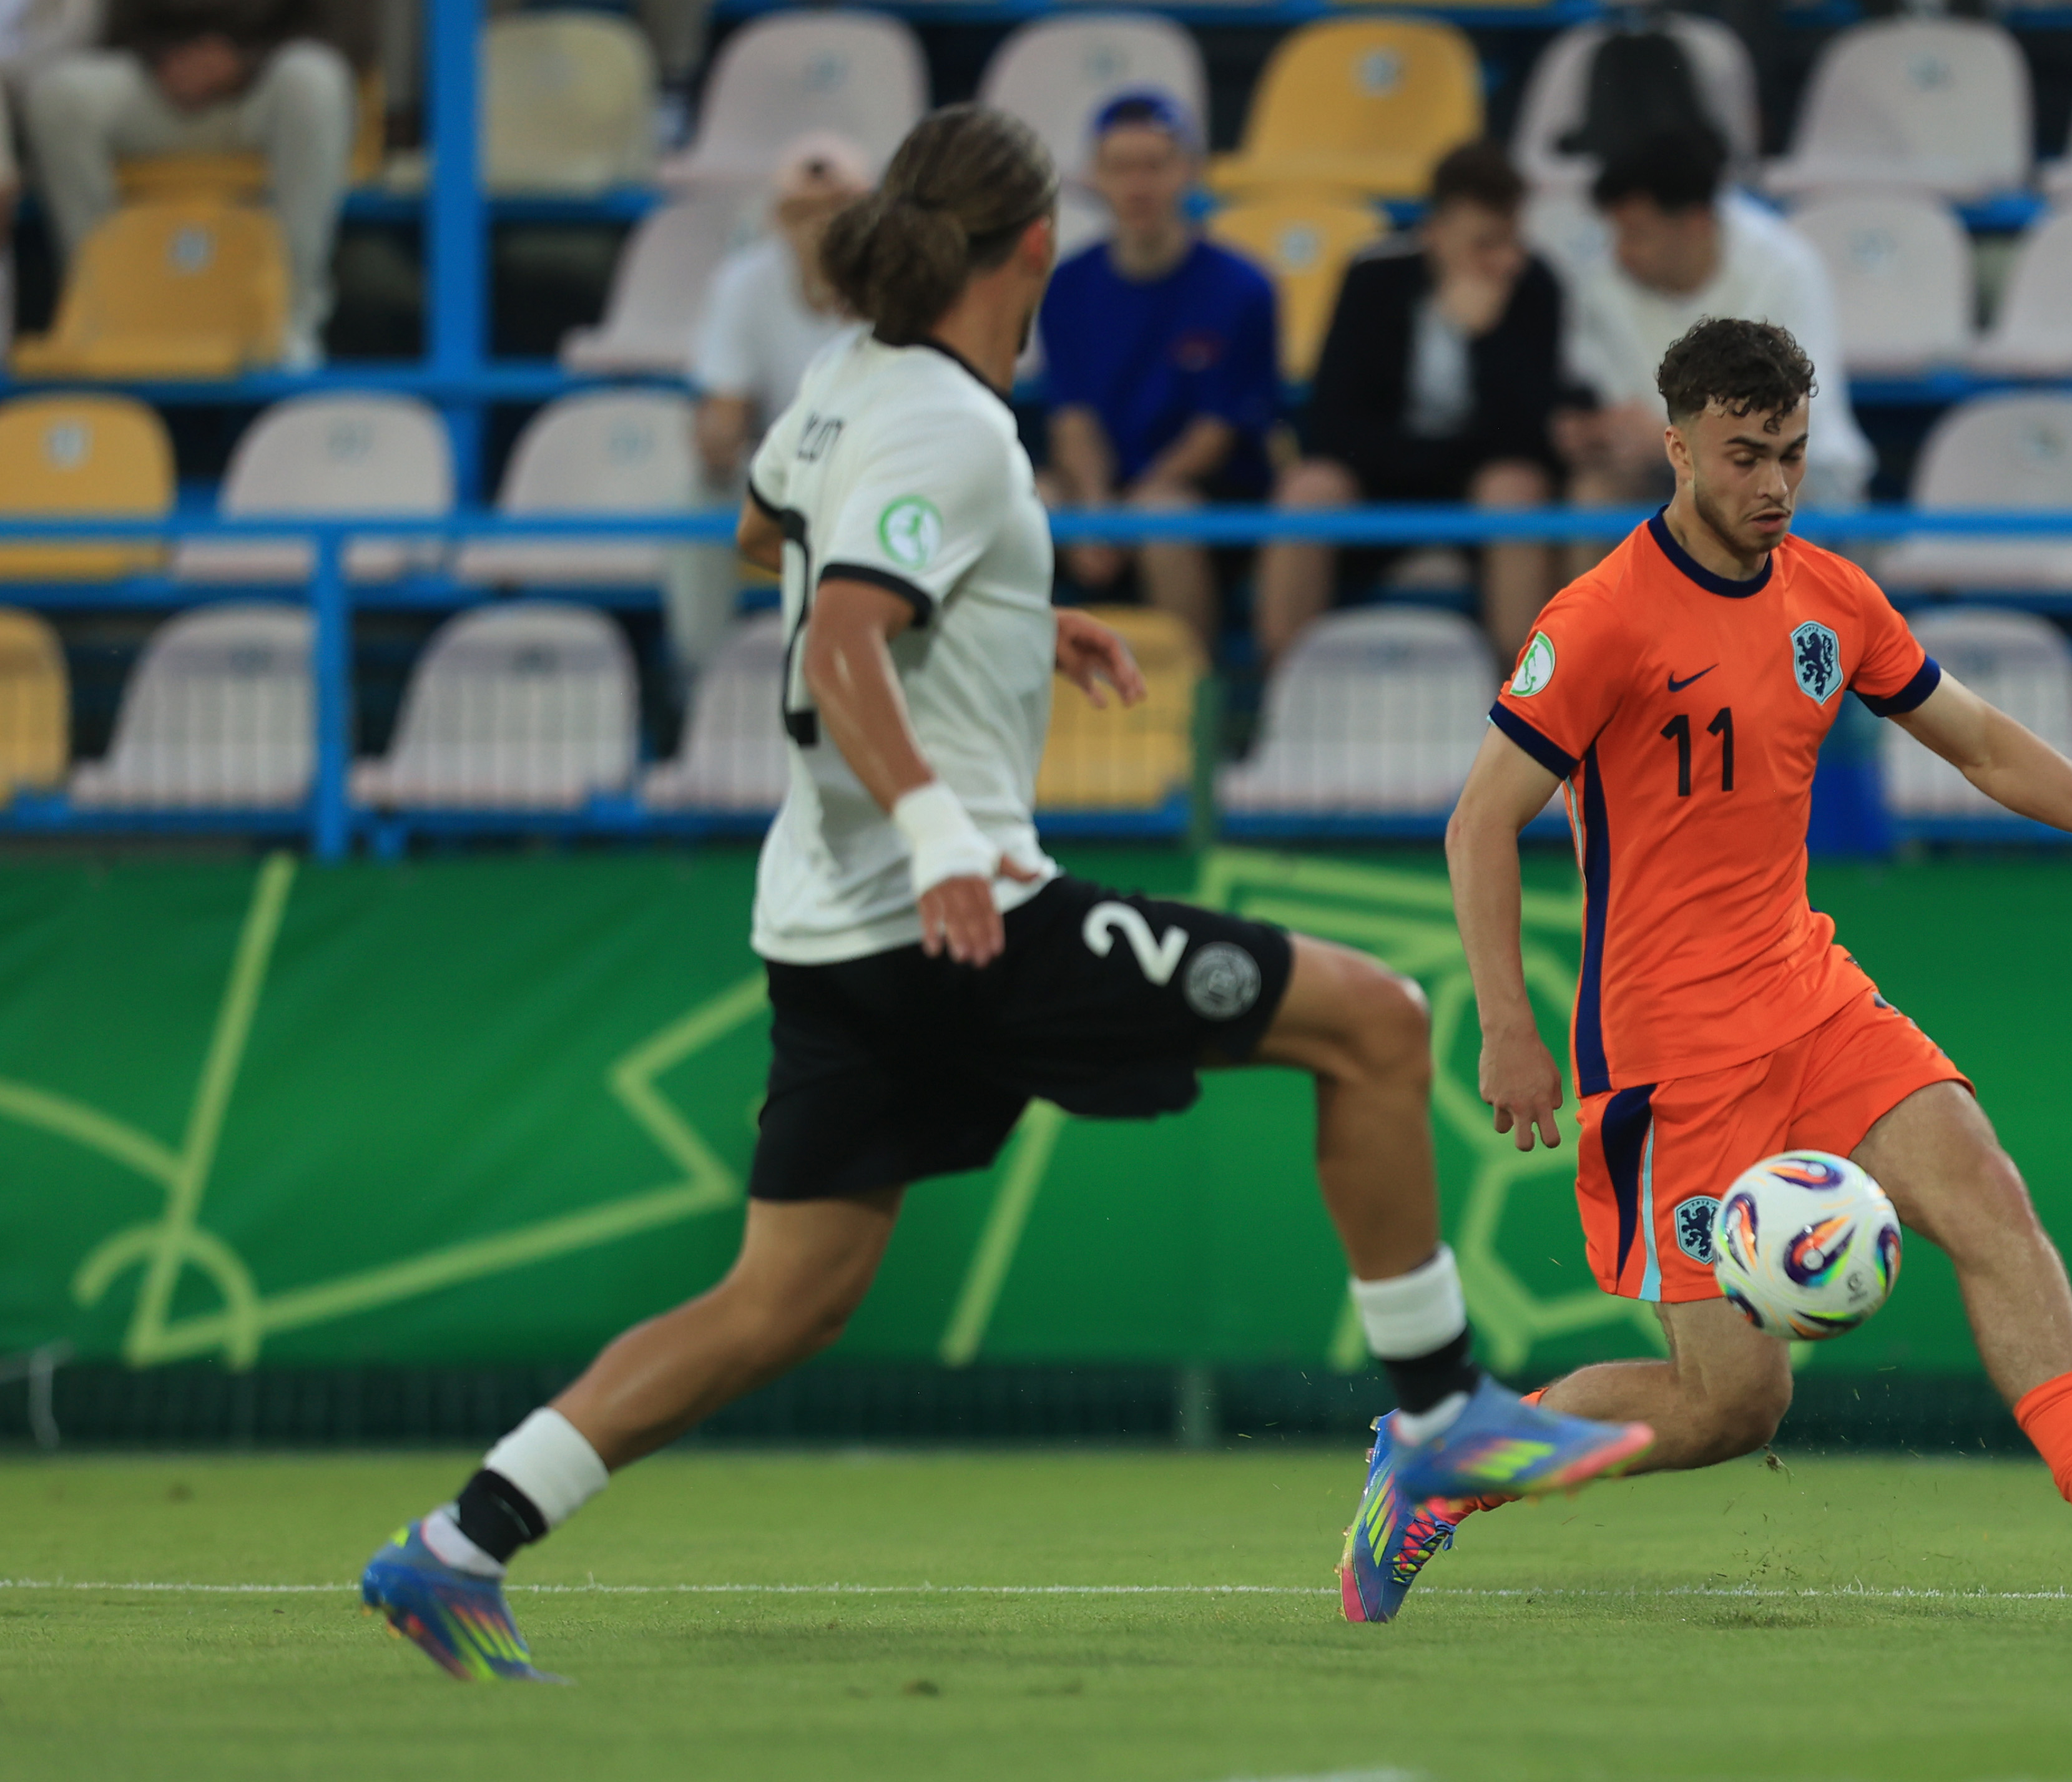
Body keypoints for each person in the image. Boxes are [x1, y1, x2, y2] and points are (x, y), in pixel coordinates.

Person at [358, 105, 1654, 1683]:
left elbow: (773, 522)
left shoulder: (844, 381)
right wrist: (939, 831)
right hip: (955, 912)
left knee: (780, 1298)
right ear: (1037, 245)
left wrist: (1002, 620)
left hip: (827, 931)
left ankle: (456, 1541)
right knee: (1373, 1021)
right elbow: (839, 638)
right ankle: (1442, 1409)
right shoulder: (952, 427)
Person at [1340, 317, 2072, 1624]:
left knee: (1985, 1191)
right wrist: (1508, 1026)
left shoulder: (1829, 594)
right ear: (1675, 446)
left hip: (1809, 994)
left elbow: (1977, 741)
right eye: (1741, 454)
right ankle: (1441, 1459)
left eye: (1789, 454)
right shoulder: (1598, 618)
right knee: (1730, 1403)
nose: (1770, 483)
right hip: (1667, 1051)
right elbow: (1479, 819)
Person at [1253, 140, 1565, 668]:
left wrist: (1486, 340)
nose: (1503, 260)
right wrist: (1422, 458)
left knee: (1515, 488)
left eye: (1511, 241)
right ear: (1435, 236)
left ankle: (1523, 712)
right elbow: (1332, 424)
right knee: (1308, 488)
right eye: (1484, 245)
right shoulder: (1371, 278)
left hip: (1480, 482)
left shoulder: (1535, 285)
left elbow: (1532, 436)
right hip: (1378, 477)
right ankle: (1278, 695)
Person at [1034, 89, 1278, 645]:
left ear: (1189, 171)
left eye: (1154, 165)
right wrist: (1097, 510)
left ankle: (1194, 703)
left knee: (1163, 513)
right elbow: (1073, 418)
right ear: (1095, 176)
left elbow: (1215, 433)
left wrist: (1129, 512)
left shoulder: (1241, 288)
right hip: (1108, 488)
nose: (1138, 185)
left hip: (1208, 499)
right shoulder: (1069, 287)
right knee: (1027, 500)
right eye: (1120, 168)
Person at [1551, 130, 1873, 530]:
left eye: (1636, 234)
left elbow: (1792, 424)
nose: (1621, 252)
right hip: (1664, 473)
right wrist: (1593, 431)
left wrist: (1668, 439)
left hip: (1796, 475)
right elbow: (1600, 398)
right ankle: (1592, 597)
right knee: (1594, 494)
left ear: (1695, 223)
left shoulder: (1784, 270)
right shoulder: (1603, 281)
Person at [24, 0, 372, 367]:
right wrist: (170, 61)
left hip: (264, 88)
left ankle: (288, 323)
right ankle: (102, 310)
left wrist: (242, 63)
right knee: (58, 96)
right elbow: (118, 27)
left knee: (314, 78)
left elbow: (350, 37)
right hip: (162, 87)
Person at [690, 131, 867, 486]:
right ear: (777, 220)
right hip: (778, 475)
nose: (820, 225)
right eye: (802, 213)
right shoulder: (741, 284)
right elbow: (723, 422)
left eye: (837, 208)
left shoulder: (901, 282)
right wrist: (720, 434)